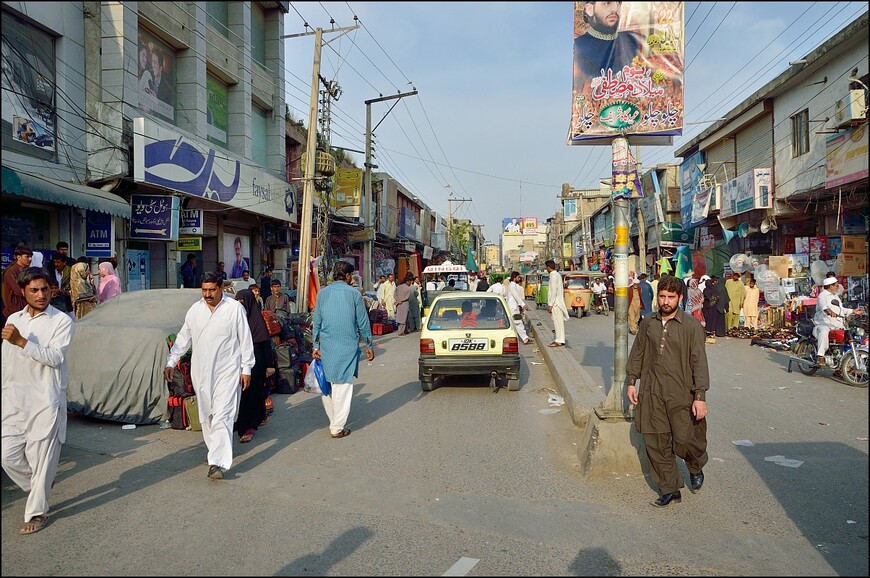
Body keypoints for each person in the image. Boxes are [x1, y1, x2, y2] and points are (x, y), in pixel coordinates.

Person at [2, 267, 76, 535]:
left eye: (45, 289)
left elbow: (55, 357)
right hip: (14, 401)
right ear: (23, 292)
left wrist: (22, 341)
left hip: (45, 400)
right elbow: (6, 362)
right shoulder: (13, 319)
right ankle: (40, 486)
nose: (41, 294)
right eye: (34, 290)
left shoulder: (61, 322)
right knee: (7, 456)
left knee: (41, 460)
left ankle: (37, 512)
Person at [626, 274, 710, 508]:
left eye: (670, 297)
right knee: (656, 441)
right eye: (662, 296)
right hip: (652, 392)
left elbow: (699, 363)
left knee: (684, 440)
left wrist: (700, 397)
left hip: (681, 394)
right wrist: (632, 381)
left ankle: (695, 464)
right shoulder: (649, 323)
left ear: (679, 298)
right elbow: (638, 352)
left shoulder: (691, 326)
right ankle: (670, 488)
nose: (665, 301)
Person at [163, 272, 255, 480]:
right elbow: (183, 338)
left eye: (212, 290)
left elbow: (245, 340)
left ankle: (217, 463)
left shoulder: (234, 309)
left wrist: (246, 368)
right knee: (207, 417)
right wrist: (171, 361)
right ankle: (215, 451)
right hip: (201, 373)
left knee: (223, 415)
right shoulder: (195, 311)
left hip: (228, 372)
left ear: (221, 288)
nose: (207, 294)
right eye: (204, 290)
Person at [312, 262, 374, 439]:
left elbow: (317, 322)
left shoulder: (323, 293)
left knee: (328, 385)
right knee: (343, 386)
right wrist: (369, 345)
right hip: (347, 346)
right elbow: (363, 322)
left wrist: (315, 346)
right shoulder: (354, 294)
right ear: (347, 276)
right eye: (352, 275)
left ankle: (335, 421)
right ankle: (337, 427)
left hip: (326, 346)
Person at [573, 1, 647, 88]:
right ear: (590, 9)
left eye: (618, 3)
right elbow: (580, 90)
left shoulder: (636, 40)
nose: (614, 9)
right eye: (607, 3)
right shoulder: (578, 47)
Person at [233, 289, 271, 444]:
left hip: (256, 363)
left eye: (243, 302)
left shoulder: (257, 320)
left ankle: (247, 428)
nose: (241, 305)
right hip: (236, 363)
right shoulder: (233, 319)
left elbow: (265, 344)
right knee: (240, 397)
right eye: (238, 302)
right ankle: (249, 419)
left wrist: (269, 365)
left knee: (251, 395)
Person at [814, 277, 864, 366]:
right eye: (836, 285)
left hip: (837, 322)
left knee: (846, 337)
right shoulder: (822, 295)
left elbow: (841, 310)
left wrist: (853, 311)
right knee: (824, 331)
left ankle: (840, 365)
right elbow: (823, 307)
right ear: (830, 286)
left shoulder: (835, 296)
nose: (838, 287)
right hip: (824, 322)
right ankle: (820, 355)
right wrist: (829, 312)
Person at [3, 246, 34, 319]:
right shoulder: (11, 272)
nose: (30, 259)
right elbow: (19, 292)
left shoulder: (27, 271)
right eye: (27, 256)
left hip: (27, 309)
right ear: (18, 257)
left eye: (31, 257)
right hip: (16, 311)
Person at [545, 260, 569, 347]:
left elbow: (553, 291)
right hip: (556, 302)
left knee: (557, 322)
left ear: (548, 267)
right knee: (558, 321)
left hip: (556, 303)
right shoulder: (555, 275)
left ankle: (559, 340)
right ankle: (560, 339)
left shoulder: (554, 276)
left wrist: (550, 304)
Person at [508, 271, 530, 344]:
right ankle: (524, 338)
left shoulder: (513, 285)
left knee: (517, 322)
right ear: (514, 278)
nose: (519, 279)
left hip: (514, 306)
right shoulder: (512, 285)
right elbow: (516, 296)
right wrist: (523, 305)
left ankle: (525, 338)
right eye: (518, 277)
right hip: (512, 307)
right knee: (517, 322)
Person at [702, 275, 726, 343]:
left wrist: (709, 302)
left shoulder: (705, 290)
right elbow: (717, 297)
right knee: (712, 319)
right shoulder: (714, 289)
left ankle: (707, 331)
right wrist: (712, 303)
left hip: (707, 307)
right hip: (713, 307)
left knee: (707, 319)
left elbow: (705, 297)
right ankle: (712, 331)